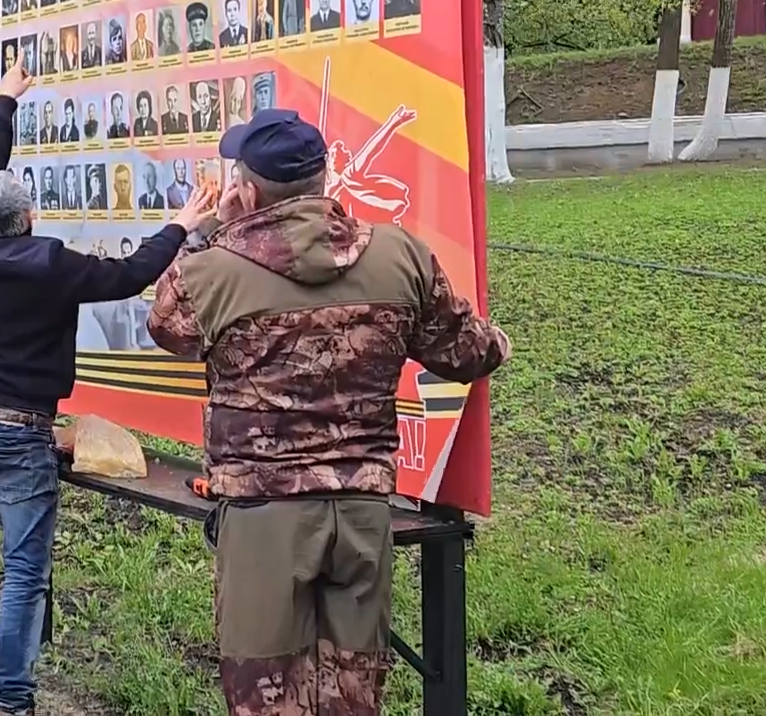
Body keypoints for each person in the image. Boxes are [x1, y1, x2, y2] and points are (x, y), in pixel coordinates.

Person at [145, 109, 510, 716]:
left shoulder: (210, 271)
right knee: (353, 696)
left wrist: (219, 231)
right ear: (324, 180)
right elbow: (472, 353)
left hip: (263, 516)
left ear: (247, 190)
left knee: (266, 698)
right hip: (364, 514)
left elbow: (165, 326)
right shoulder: (400, 256)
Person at [0, 62, 217, 716]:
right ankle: (11, 705)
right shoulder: (48, 263)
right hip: (20, 437)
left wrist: (4, 100)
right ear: (30, 216)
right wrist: (181, 222)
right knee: (22, 578)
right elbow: (130, 273)